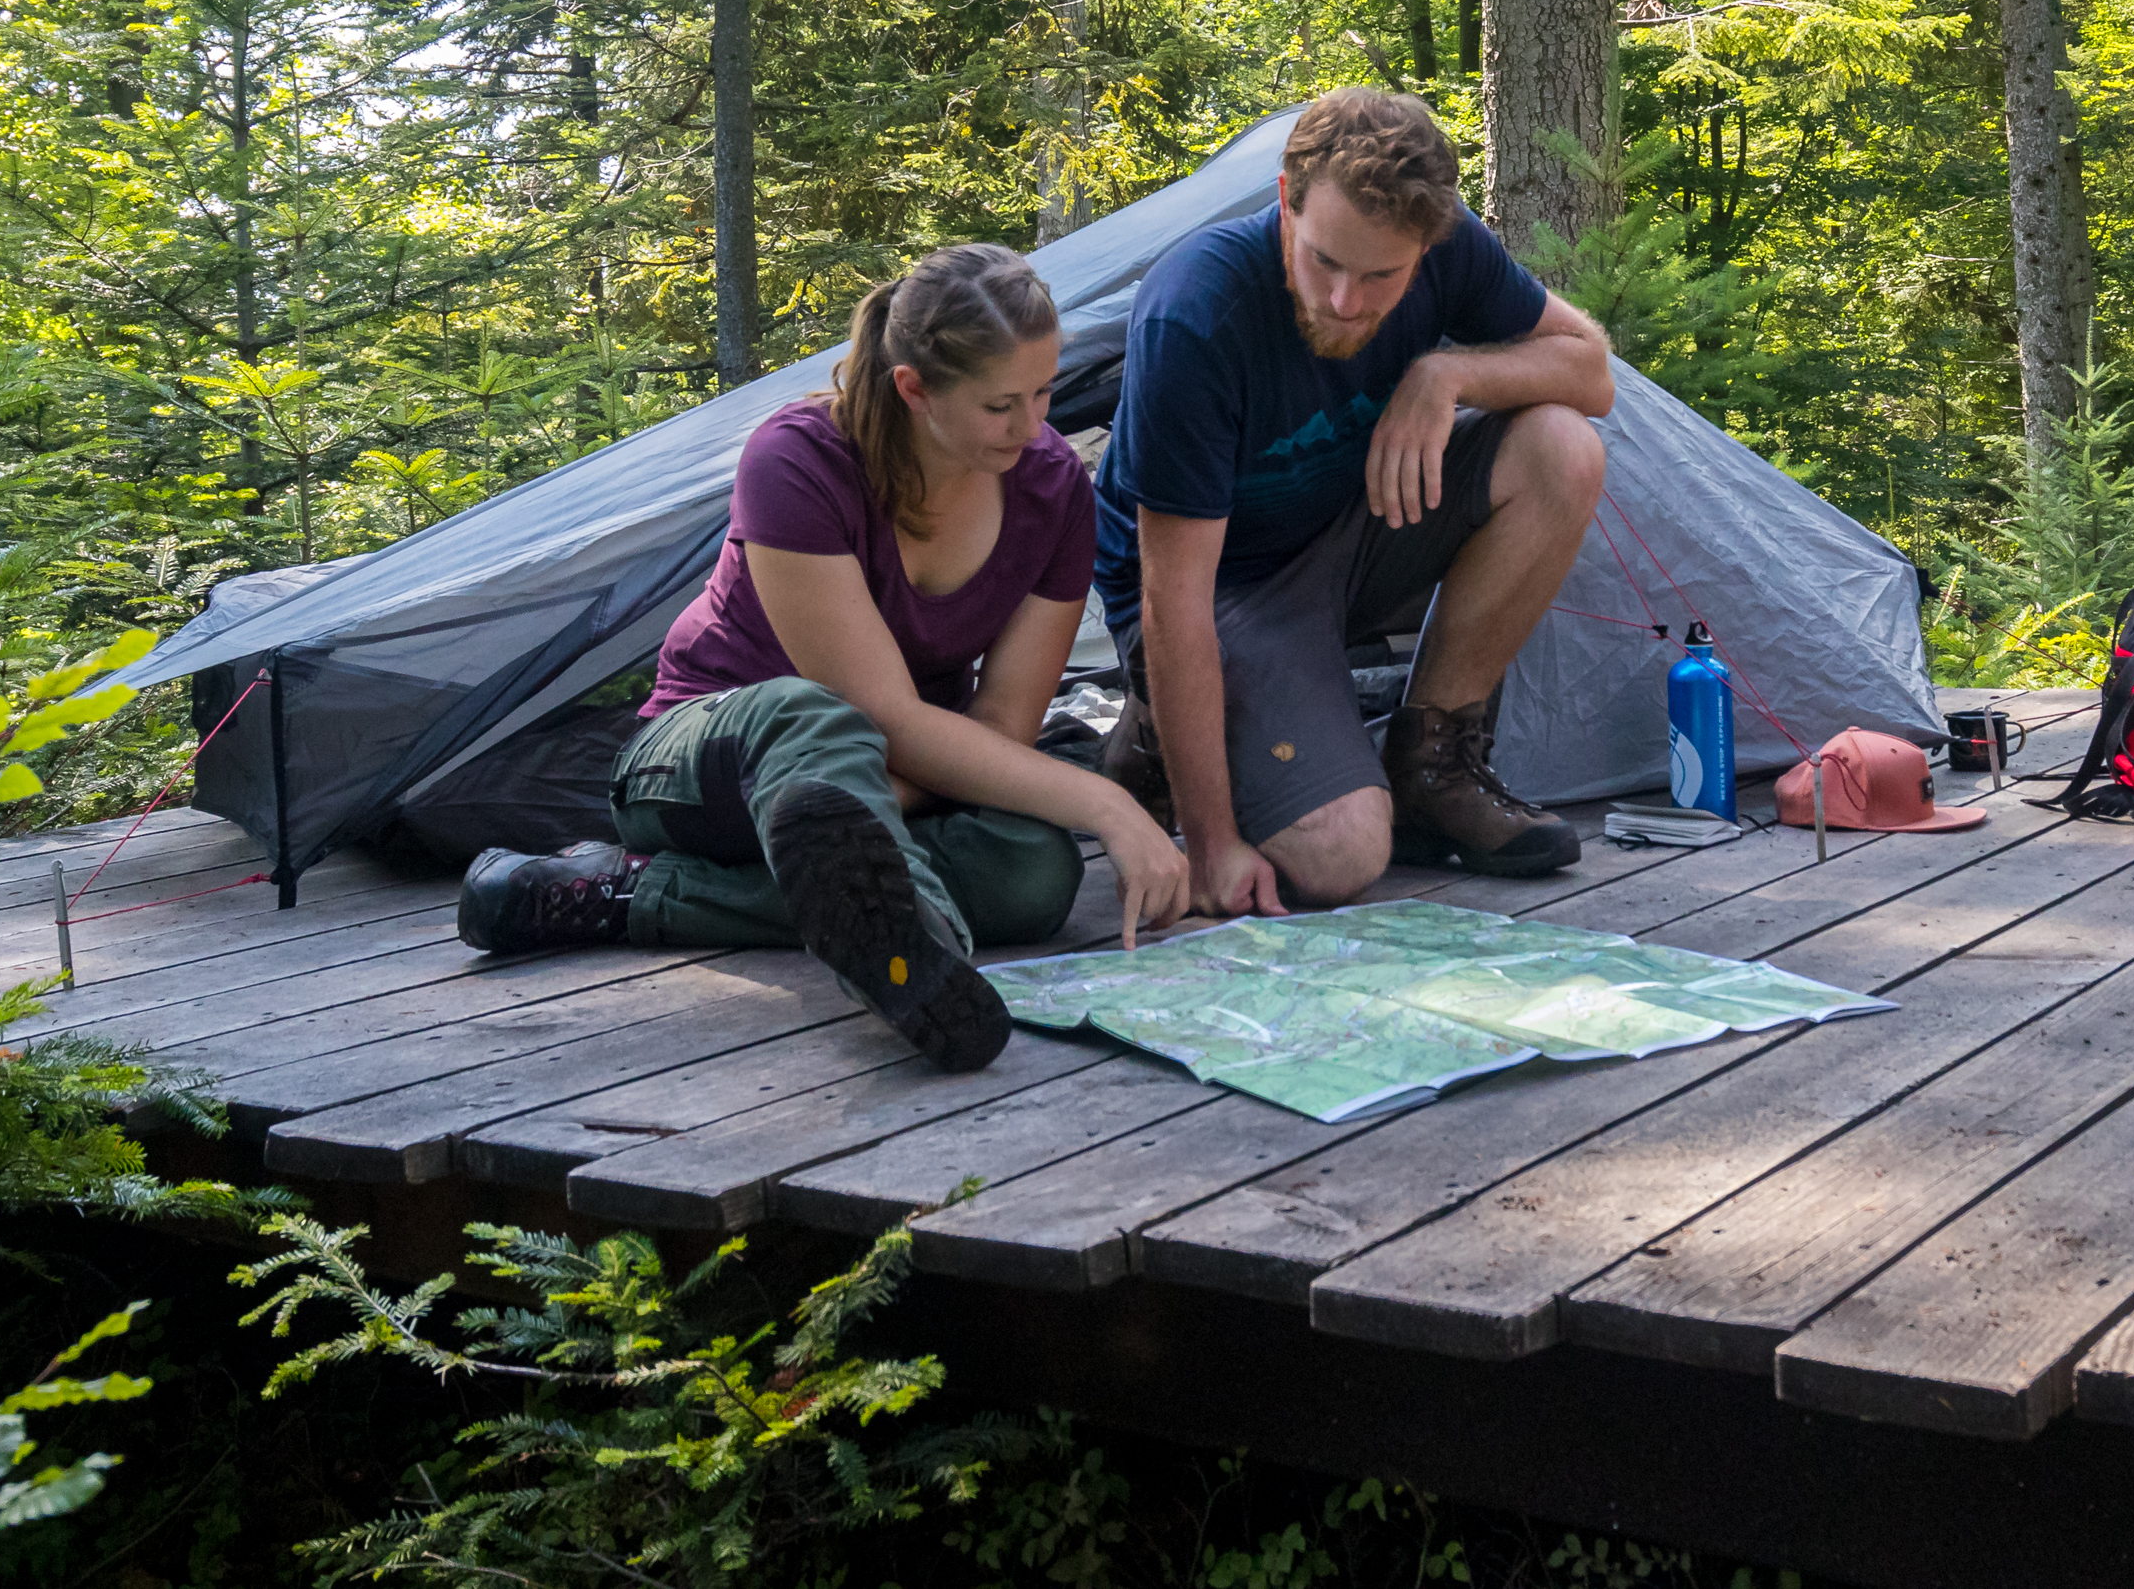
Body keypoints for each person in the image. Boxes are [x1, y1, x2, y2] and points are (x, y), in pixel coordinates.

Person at [454, 244, 1188, 1072]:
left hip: (874, 777)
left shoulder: (1052, 489)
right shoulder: (797, 459)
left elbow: (1004, 725)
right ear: (914, 389)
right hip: (703, 759)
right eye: (1000, 404)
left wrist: (870, 794)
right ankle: (921, 954)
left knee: (1033, 872)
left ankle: (637, 892)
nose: (1032, 425)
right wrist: (1110, 803)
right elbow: (883, 714)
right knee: (813, 712)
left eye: (1044, 391)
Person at [1095, 87, 1614, 914]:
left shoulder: (1450, 247)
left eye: (1382, 276)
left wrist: (1447, 372)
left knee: (1562, 447)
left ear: (1427, 246)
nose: (1345, 302)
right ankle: (1160, 728)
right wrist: (1213, 843)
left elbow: (1591, 372)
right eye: (1324, 261)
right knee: (1341, 854)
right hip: (1222, 586)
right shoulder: (1194, 310)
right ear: (1286, 201)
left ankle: (1432, 766)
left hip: (1349, 525)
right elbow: (1173, 601)